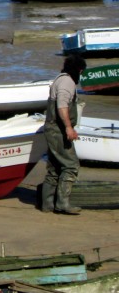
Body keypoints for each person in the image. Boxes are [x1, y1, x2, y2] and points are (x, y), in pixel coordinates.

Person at [40, 54, 88, 214]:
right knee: (71, 165)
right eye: (81, 72)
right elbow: (62, 106)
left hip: (52, 129)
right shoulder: (67, 82)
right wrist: (69, 127)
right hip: (58, 131)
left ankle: (47, 205)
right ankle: (62, 203)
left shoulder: (60, 79)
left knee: (54, 168)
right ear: (79, 70)